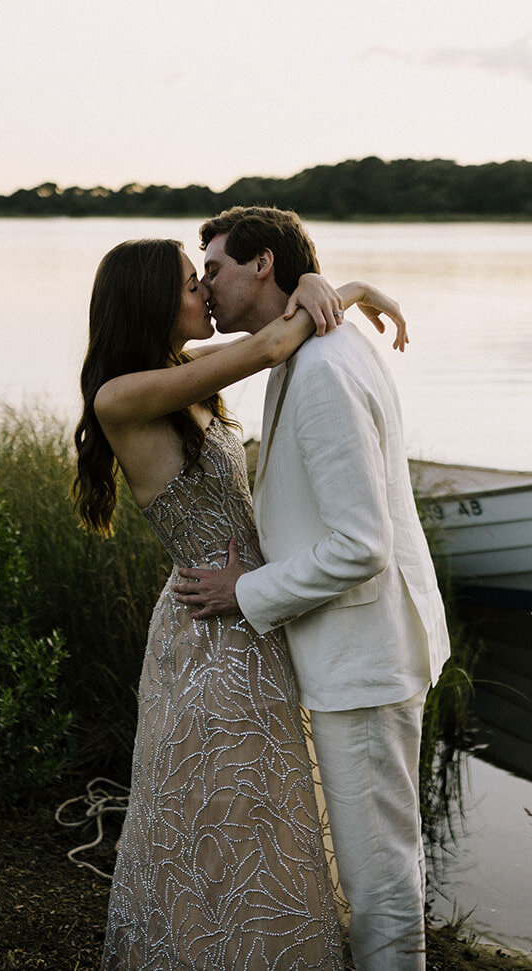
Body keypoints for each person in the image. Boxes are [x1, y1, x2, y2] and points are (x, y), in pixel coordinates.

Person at [73, 236, 407, 970]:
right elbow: (271, 346)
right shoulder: (123, 395)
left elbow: (271, 340)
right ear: (151, 300)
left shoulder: (180, 375)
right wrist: (344, 287)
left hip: (248, 616)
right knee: (222, 817)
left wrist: (315, 279)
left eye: (204, 278)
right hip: (210, 635)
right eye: (192, 284)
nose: (204, 295)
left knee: (264, 817)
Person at [173, 207, 452, 971]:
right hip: (365, 648)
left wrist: (248, 589)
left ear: (263, 265)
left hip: (365, 657)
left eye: (218, 269)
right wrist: (340, 283)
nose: (207, 285)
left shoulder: (325, 368)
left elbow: (361, 544)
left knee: (378, 876)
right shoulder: (313, 344)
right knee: (383, 857)